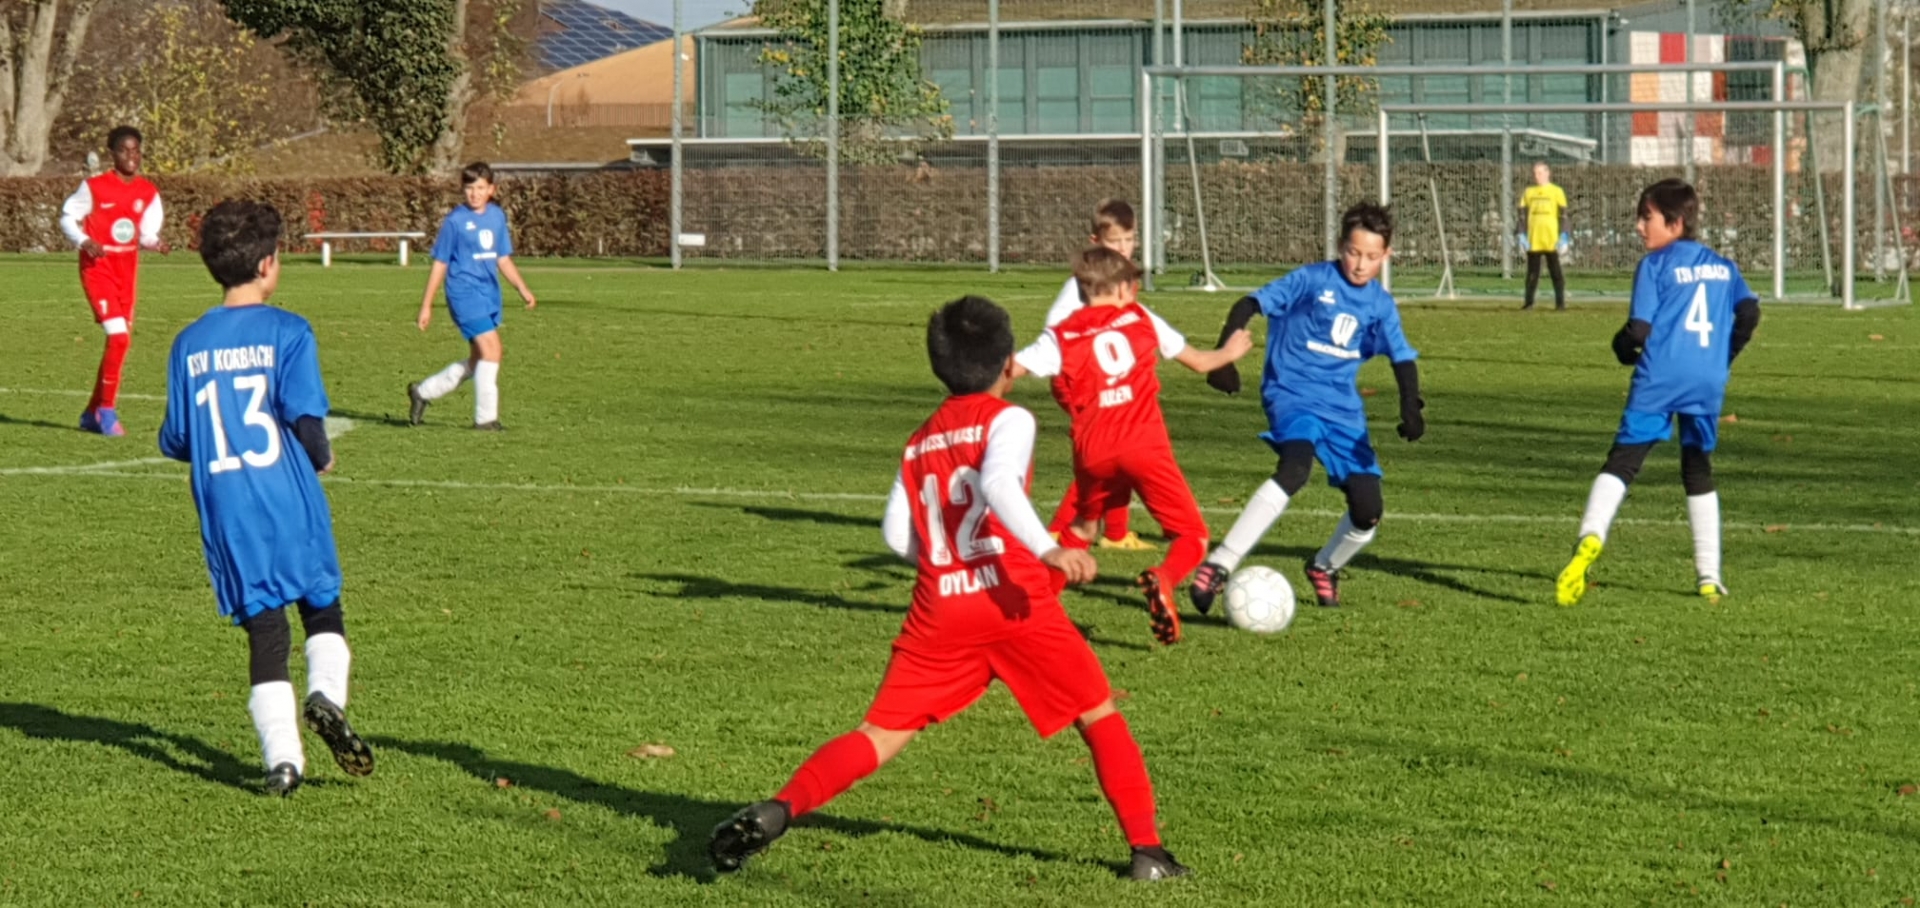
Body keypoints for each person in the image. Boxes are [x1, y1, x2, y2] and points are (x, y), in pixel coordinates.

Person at [709, 296, 1189, 882]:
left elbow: (896, 535)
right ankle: (1147, 852)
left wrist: (946, 562)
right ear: (1008, 362)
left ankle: (780, 808)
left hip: (940, 611)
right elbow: (998, 482)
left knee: (879, 734)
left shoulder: (919, 441)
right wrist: (1049, 550)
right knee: (1097, 712)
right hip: (1013, 601)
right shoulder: (1009, 419)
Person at [158, 200, 374, 796]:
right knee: (321, 606)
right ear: (266, 264)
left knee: (266, 631)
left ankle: (284, 762)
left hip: (227, 508)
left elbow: (176, 438)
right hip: (287, 495)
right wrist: (321, 455)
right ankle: (325, 696)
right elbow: (305, 419)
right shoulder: (288, 331)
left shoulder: (188, 344)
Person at [1188, 203, 1425, 612]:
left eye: (1371, 256)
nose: (1360, 264)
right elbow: (1249, 304)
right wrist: (1223, 358)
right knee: (1294, 469)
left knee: (1368, 510)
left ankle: (1324, 566)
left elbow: (1401, 356)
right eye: (1353, 252)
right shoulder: (1312, 280)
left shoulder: (1380, 304)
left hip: (1342, 410)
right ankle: (1219, 564)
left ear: (1386, 256)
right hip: (1292, 394)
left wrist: (1411, 405)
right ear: (1340, 245)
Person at [1014, 247, 1252, 644]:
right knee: (1192, 535)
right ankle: (1163, 578)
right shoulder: (1140, 317)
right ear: (1124, 288)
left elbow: (1012, 368)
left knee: (1082, 528)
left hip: (1092, 452)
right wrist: (1229, 352)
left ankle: (1032, 612)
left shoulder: (1061, 335)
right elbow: (1197, 361)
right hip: (1144, 444)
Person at [1556, 179, 1761, 607]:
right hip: (1706, 380)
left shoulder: (1654, 265)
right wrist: (1722, 357)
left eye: (1645, 217)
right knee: (1697, 468)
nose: (1638, 226)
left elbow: (1638, 331)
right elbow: (1749, 312)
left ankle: (1590, 536)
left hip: (1660, 378)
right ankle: (1709, 576)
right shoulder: (1723, 266)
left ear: (1675, 222)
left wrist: (1620, 349)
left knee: (1623, 461)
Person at [1027, 199, 1155, 551]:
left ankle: (1115, 533)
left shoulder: (1121, 276)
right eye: (1115, 242)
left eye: (1129, 240)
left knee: (1120, 445)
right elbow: (1055, 327)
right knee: (1108, 451)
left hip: (1105, 379)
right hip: (1078, 381)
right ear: (1096, 242)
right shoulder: (1083, 284)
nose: (1123, 249)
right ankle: (1061, 529)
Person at [406, 162, 537, 431]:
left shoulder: (497, 217)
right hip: (463, 294)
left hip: (488, 295)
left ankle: (423, 391)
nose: (474, 194)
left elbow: (502, 258)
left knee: (479, 359)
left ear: (491, 190)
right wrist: (426, 306)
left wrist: (522, 288)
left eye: (480, 188)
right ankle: (485, 419)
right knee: (493, 349)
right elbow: (440, 263)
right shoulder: (455, 222)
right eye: (469, 188)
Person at [59, 125, 169, 436]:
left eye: (136, 150)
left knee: (119, 341)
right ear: (113, 154)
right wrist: (83, 240)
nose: (131, 156)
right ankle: (107, 410)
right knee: (119, 338)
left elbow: (144, 233)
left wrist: (156, 243)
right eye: (124, 150)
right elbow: (67, 217)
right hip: (99, 268)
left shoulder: (148, 192)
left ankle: (90, 413)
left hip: (127, 269)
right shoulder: (94, 187)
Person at [1519, 161, 1570, 311]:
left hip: (1551, 240)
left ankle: (1560, 304)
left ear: (1548, 173)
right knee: (1532, 274)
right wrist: (1521, 235)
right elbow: (1521, 216)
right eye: (1535, 173)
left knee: (1556, 273)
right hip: (1533, 240)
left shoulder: (1557, 191)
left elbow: (1564, 215)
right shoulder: (1528, 192)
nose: (1537, 176)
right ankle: (1528, 303)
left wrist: (1564, 235)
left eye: (1540, 173)